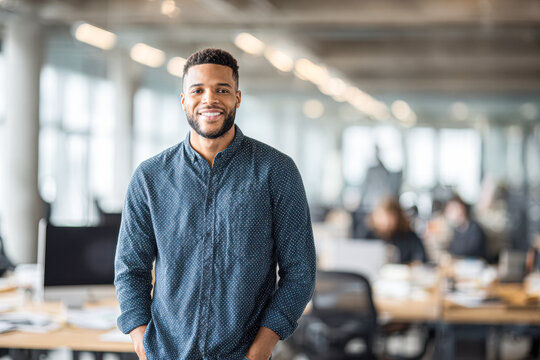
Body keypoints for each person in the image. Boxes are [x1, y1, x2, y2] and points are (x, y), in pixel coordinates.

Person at [114, 48, 317, 360]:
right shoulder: (150, 177)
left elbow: (300, 271)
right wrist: (142, 341)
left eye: (222, 90)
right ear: (184, 100)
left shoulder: (276, 171)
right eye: (198, 90)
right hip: (166, 353)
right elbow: (130, 268)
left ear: (237, 98)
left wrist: (261, 349)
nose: (210, 99)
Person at [366, 197, 427, 264]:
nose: (386, 221)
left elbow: (420, 260)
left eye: (390, 217)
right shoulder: (367, 236)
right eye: (382, 216)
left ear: (398, 217)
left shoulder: (409, 237)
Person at [443, 194, 487, 259]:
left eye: (452, 209)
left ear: (461, 208)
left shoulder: (475, 228)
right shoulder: (456, 230)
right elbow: (452, 250)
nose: (449, 213)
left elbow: (471, 251)